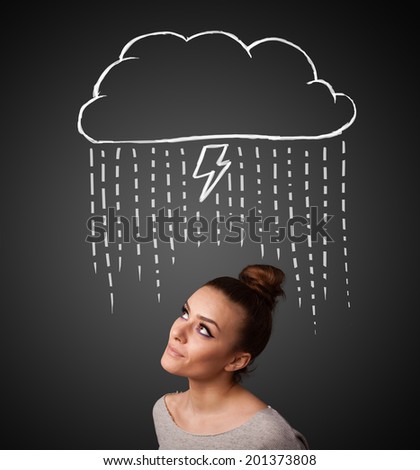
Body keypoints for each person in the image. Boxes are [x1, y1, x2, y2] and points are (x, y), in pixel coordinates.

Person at [153, 264, 309, 450]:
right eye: (185, 313)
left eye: (204, 330)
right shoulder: (163, 412)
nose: (178, 331)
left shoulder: (268, 436)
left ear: (236, 361)